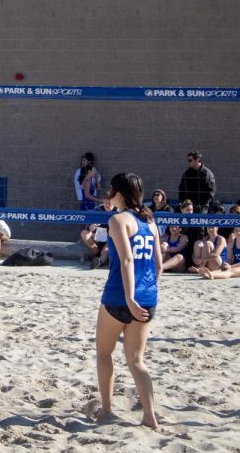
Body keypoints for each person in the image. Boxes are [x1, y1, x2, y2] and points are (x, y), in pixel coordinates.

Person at [94, 172, 161, 430]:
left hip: (118, 297)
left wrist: (130, 297)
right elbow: (158, 264)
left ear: (118, 193)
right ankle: (149, 415)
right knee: (136, 360)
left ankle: (107, 409)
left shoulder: (118, 220)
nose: (108, 194)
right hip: (148, 298)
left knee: (103, 353)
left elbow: (126, 260)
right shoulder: (150, 221)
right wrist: (146, 292)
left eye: (111, 190)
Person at [81, 197, 115, 269]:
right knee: (84, 233)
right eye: (105, 202)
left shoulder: (117, 211)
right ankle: (98, 255)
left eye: (109, 202)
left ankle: (100, 261)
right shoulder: (98, 209)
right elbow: (89, 227)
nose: (107, 204)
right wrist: (92, 226)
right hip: (98, 235)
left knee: (108, 244)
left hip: (111, 236)